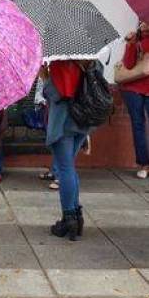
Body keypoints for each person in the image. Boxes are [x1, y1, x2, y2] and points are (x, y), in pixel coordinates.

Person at [43, 61, 90, 241]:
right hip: (82, 121)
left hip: (64, 123)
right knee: (70, 167)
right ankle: (77, 216)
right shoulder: (89, 62)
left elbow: (54, 93)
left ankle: (68, 217)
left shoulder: (60, 64)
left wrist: (45, 76)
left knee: (65, 169)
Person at [119, 22, 149, 178]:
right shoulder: (136, 40)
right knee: (138, 125)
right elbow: (128, 65)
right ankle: (144, 164)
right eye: (142, 21)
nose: (144, 24)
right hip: (133, 88)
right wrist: (131, 45)